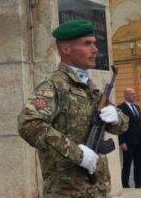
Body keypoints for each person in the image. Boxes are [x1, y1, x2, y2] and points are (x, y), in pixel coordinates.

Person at [18, 20, 128, 197]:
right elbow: (29, 124)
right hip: (67, 191)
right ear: (66, 49)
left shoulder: (91, 89)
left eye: (94, 43)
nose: (95, 49)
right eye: (87, 44)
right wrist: (77, 153)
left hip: (98, 190)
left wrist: (117, 117)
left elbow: (122, 125)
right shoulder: (54, 86)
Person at [118, 87, 141, 188]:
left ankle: (139, 185)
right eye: (132, 94)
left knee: (139, 166)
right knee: (127, 166)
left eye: (134, 94)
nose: (134, 95)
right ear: (126, 95)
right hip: (128, 142)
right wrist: (122, 142)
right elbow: (119, 126)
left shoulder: (137, 107)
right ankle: (125, 185)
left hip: (139, 142)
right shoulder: (121, 108)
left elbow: (140, 124)